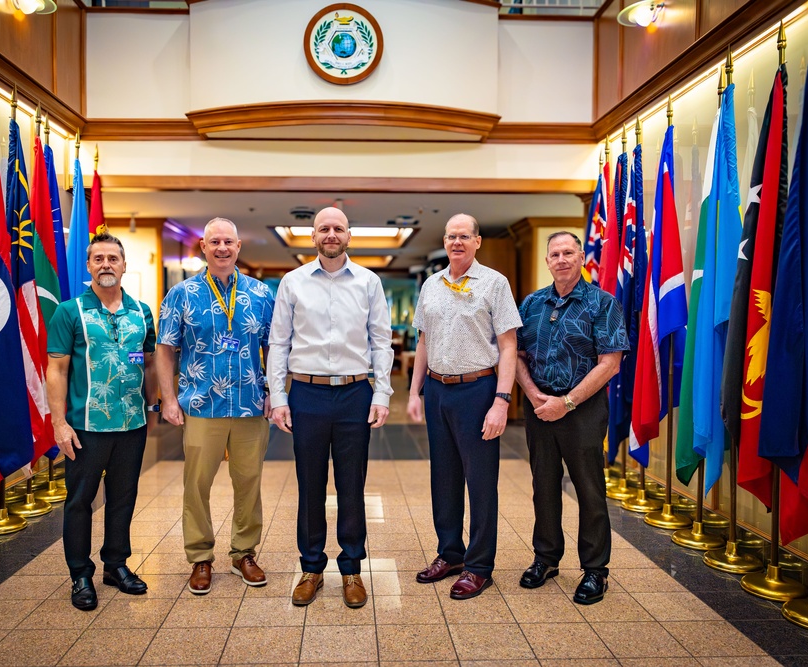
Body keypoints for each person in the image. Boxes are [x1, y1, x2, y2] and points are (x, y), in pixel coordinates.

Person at [268, 206, 393, 609]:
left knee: (352, 484)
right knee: (309, 484)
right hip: (307, 393)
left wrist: (382, 393)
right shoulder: (293, 282)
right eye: (324, 228)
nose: (331, 234)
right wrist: (280, 397)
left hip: (355, 393)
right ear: (313, 236)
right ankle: (311, 568)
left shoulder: (369, 283)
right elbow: (278, 344)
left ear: (349, 235)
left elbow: (381, 342)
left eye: (338, 228)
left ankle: (352, 569)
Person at [156, 218, 275, 595]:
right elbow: (164, 349)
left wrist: (274, 389)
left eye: (228, 242)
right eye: (214, 242)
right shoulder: (181, 294)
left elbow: (275, 346)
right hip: (200, 404)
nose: (222, 248)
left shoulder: (260, 293)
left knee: (249, 482)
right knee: (197, 484)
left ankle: (243, 553)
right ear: (203, 248)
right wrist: (168, 399)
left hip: (250, 404)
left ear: (239, 246)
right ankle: (200, 557)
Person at [407, 213, 521, 600]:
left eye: (464, 236)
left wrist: (501, 402)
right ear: (444, 240)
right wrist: (413, 393)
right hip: (438, 391)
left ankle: (478, 566)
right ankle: (450, 554)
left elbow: (508, 346)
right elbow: (423, 341)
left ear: (476, 242)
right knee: (445, 478)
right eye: (451, 236)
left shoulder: (494, 283)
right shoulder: (431, 285)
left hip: (479, 390)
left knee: (481, 482)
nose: (457, 242)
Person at [47, 231, 158, 611]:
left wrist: (152, 406)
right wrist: (59, 423)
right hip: (85, 428)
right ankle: (80, 574)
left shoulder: (142, 312)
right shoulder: (69, 311)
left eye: (114, 258)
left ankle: (116, 565)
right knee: (79, 502)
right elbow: (57, 369)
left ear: (125, 266)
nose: (107, 265)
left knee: (123, 499)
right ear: (89, 266)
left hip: (131, 425)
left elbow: (151, 361)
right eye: (99, 259)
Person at [514, 231, 627, 605]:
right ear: (547, 261)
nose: (561, 259)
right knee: (543, 486)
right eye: (554, 254)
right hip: (539, 407)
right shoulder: (531, 304)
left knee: (589, 490)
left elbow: (610, 363)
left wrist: (567, 402)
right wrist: (533, 396)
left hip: (583, 410)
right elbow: (516, 355)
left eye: (568, 253)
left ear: (581, 257)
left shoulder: (602, 303)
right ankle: (546, 559)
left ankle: (595, 569)